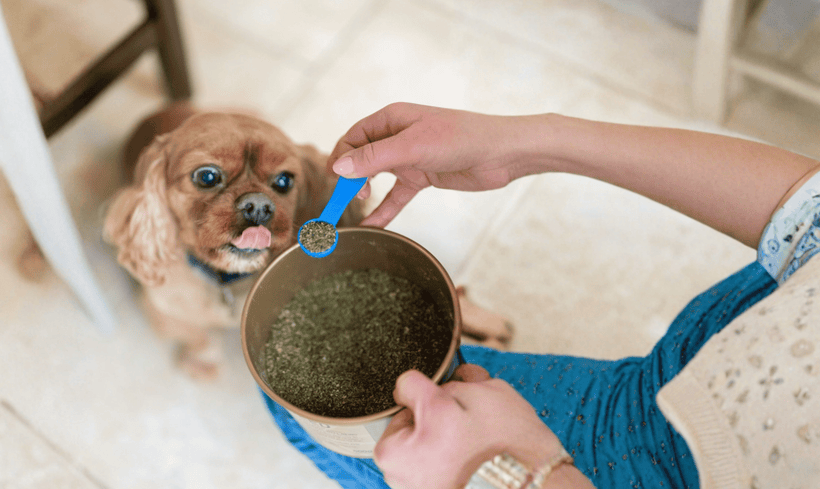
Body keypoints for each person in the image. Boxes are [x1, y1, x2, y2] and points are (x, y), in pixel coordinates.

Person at [260, 102, 820, 489]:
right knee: (288, 404)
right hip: (664, 380)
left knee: (305, 422)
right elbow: (808, 217)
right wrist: (524, 142)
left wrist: (511, 475)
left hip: (643, 472)